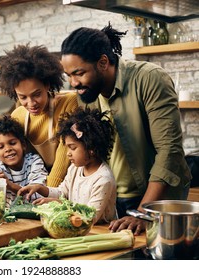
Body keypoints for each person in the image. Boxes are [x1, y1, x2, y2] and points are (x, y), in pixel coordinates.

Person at [60, 23, 191, 234]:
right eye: (69, 75)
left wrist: (143, 212)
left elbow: (169, 151)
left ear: (103, 62)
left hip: (157, 198)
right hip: (114, 196)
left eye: (79, 73)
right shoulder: (87, 93)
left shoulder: (149, 78)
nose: (73, 82)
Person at [0, 43, 78, 188]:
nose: (31, 103)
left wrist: (48, 194)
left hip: (67, 185)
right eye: (23, 97)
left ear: (47, 84)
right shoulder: (18, 115)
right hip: (35, 186)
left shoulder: (69, 104)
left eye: (37, 94)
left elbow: (64, 155)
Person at [18, 107, 117, 224]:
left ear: (91, 148)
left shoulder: (103, 179)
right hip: (77, 227)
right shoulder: (75, 168)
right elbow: (62, 193)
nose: (68, 153)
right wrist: (40, 188)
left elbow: (90, 216)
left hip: (100, 231)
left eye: (73, 148)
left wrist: (60, 204)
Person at [0, 114, 48, 207]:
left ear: (23, 145)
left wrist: (10, 185)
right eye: (1, 147)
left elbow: (37, 195)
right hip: (9, 217)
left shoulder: (34, 162)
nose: (7, 149)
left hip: (34, 215)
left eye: (12, 143)